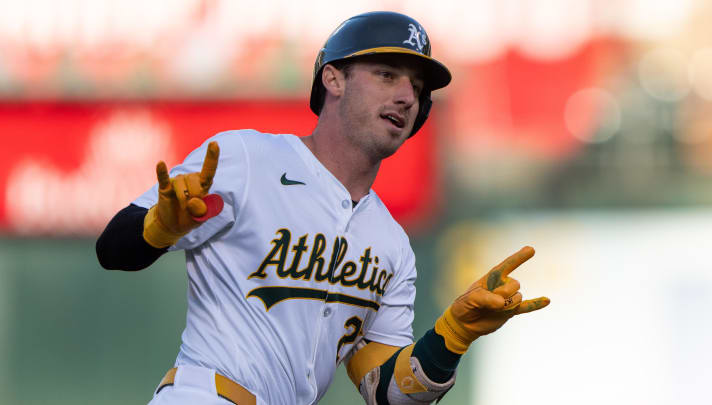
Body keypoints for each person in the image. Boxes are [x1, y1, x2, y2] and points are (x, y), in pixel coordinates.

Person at [96, 11, 549, 405]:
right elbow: (113, 250)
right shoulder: (247, 159)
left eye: (416, 87)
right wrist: (159, 226)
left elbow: (386, 391)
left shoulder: (391, 243)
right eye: (387, 74)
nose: (407, 96)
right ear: (333, 78)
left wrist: (452, 337)